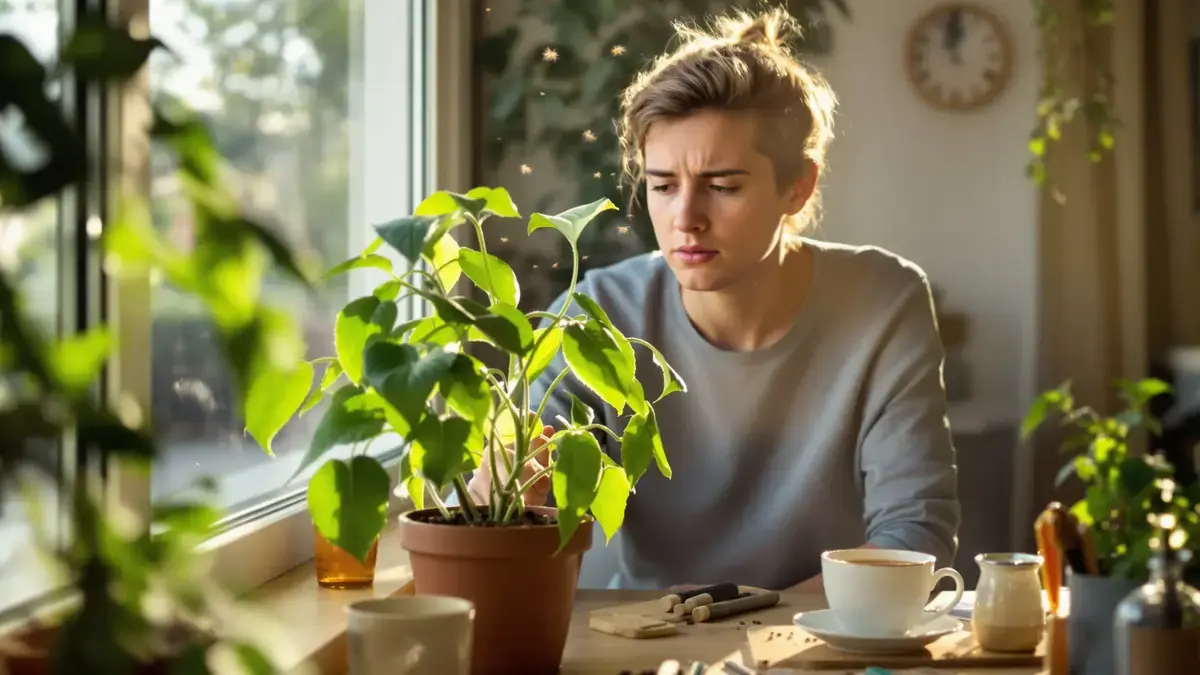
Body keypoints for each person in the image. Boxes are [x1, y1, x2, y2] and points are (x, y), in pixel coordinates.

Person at [467, 7, 960, 592]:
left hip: (825, 639)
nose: (686, 220)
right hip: (656, 642)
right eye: (662, 186)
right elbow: (512, 508)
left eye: (722, 187)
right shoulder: (602, 313)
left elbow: (913, 533)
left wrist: (763, 627)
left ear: (798, 185)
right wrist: (501, 492)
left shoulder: (883, 301)